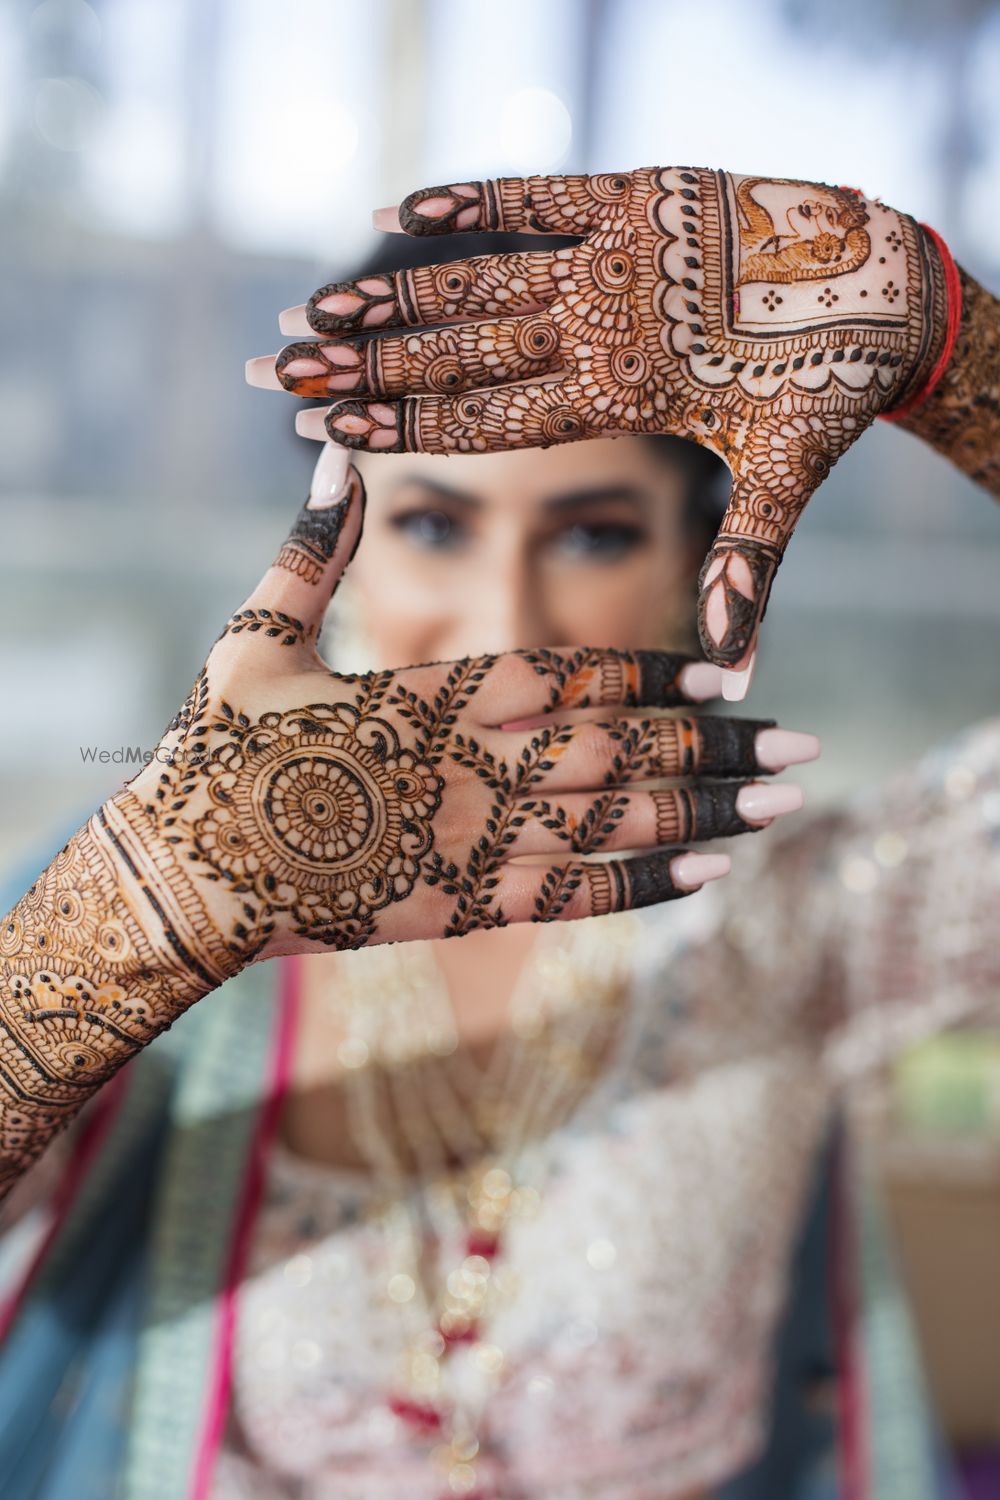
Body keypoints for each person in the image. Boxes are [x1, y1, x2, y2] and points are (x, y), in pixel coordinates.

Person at [0, 162, 995, 1500]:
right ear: (336, 550)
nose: (502, 613)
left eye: (589, 533)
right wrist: (139, 923)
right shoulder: (183, 876)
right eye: (432, 522)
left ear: (705, 564)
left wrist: (951, 343)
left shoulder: (798, 913)